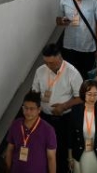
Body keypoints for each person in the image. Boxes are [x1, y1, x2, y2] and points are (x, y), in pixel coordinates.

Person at [31, 44, 81, 173]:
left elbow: (81, 97)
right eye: (46, 62)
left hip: (64, 119)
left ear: (60, 58)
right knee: (44, 148)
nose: (48, 66)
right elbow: (34, 93)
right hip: (45, 118)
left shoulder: (72, 72)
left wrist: (64, 106)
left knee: (61, 150)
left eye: (51, 63)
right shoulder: (40, 71)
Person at [57, 0, 97, 79]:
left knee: (85, 77)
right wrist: (62, 21)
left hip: (87, 47)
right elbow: (58, 20)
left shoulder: (95, 1)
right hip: (69, 46)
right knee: (69, 77)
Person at [5, 91, 57, 173]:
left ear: (39, 110)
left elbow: (51, 157)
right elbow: (9, 150)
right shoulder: (15, 124)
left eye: (32, 109)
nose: (28, 112)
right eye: (25, 108)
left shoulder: (48, 130)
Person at [67, 80, 97, 173]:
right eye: (89, 94)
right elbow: (70, 136)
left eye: (95, 94)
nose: (92, 97)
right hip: (79, 153)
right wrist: (70, 158)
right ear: (83, 93)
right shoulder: (76, 110)